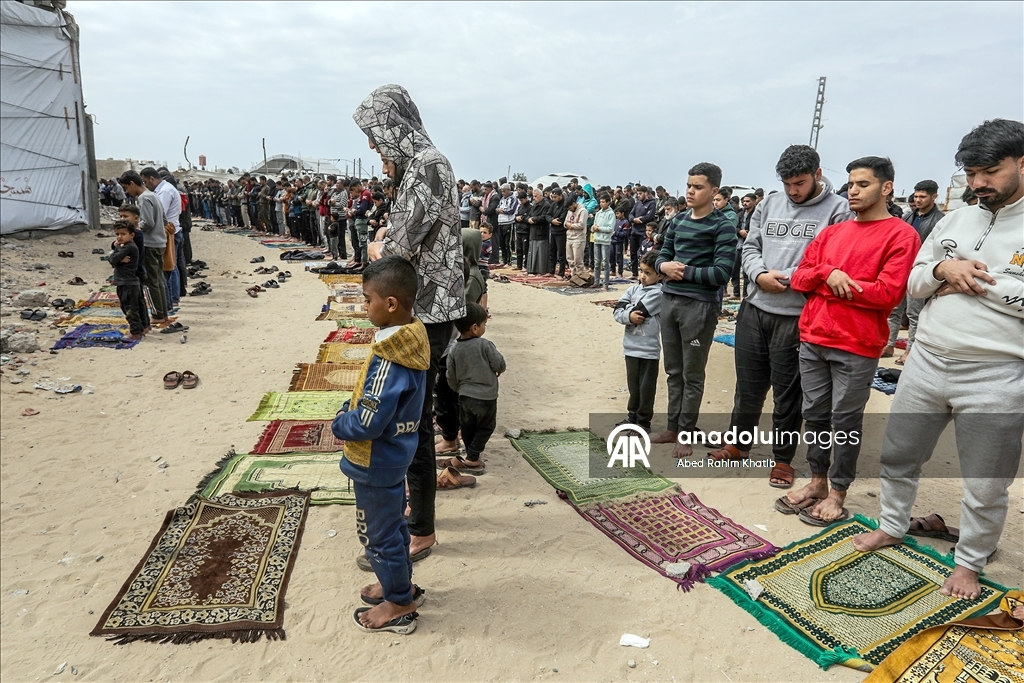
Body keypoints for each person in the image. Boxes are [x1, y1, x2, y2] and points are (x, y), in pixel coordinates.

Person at [852, 118, 1024, 600]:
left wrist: (970, 280)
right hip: (926, 362)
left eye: (989, 172)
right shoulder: (955, 220)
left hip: (995, 375)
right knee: (898, 454)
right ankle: (892, 525)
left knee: (986, 483)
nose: (978, 183)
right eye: (970, 174)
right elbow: (914, 282)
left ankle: (969, 562)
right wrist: (944, 268)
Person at [355, 83, 466, 563]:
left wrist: (378, 246)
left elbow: (398, 247)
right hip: (424, 308)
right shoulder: (422, 165)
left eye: (376, 136)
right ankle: (418, 515)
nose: (374, 147)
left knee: (411, 424)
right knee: (411, 418)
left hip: (427, 312)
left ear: (394, 128)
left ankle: (420, 529)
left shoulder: (427, 165)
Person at [783, 156, 920, 525]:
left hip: (857, 344)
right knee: (814, 416)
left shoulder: (901, 235)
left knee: (844, 421)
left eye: (863, 184)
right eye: (851, 184)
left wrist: (823, 284)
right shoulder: (832, 233)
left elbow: (887, 294)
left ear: (886, 188)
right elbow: (799, 278)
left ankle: (838, 491)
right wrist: (829, 273)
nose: (853, 191)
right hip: (813, 338)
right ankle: (817, 481)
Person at [707, 146, 852, 488]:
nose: (792, 191)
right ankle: (738, 444)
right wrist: (759, 275)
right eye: (787, 184)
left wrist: (788, 279)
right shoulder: (768, 204)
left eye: (799, 183)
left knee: (789, 393)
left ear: (817, 174)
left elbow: (833, 262)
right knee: (748, 384)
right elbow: (750, 247)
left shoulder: (839, 211)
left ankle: (782, 459)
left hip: (797, 315)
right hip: (755, 309)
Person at [331, 255, 428, 634]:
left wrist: (341, 422)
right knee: (394, 526)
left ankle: (399, 603)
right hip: (394, 455)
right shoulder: (409, 340)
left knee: (377, 534)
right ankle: (399, 585)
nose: (363, 306)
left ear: (390, 304)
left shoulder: (390, 360)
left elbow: (367, 422)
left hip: (375, 460)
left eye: (367, 299)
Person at [651, 163, 736, 457]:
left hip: (699, 307)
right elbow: (663, 253)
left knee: (692, 373)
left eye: (698, 187)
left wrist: (684, 272)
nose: (690, 191)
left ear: (714, 191)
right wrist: (663, 266)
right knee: (673, 370)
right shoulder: (678, 221)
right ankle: (672, 428)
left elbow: (722, 273)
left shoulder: (722, 225)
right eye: (689, 185)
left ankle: (686, 432)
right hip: (670, 302)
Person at [438, 302, 505, 479]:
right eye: (484, 324)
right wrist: (498, 370)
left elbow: (450, 376)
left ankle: (470, 452)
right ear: (475, 327)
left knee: (467, 426)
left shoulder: (454, 350)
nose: (484, 327)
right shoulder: (485, 345)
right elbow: (499, 364)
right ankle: (473, 457)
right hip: (487, 397)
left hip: (465, 396)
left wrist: (458, 389)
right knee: (486, 426)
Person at [883, 179, 946, 364]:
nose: (918, 200)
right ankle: (888, 344)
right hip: (901, 268)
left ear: (934, 196)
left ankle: (910, 350)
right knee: (894, 310)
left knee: (914, 313)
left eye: (922, 197)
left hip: (920, 271)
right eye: (916, 196)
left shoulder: (940, 220)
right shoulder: (908, 216)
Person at [613, 251, 663, 431]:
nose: (643, 276)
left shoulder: (659, 293)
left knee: (646, 388)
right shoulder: (632, 290)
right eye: (641, 271)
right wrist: (629, 315)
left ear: (660, 275)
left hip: (648, 350)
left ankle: (643, 422)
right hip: (630, 347)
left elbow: (641, 312)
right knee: (633, 386)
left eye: (648, 273)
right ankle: (632, 417)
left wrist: (627, 312)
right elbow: (617, 311)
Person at [119, 171, 168, 323]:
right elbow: (164, 220)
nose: (127, 191)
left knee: (151, 281)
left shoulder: (144, 198)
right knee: (158, 280)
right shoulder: (153, 195)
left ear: (132, 183)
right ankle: (162, 312)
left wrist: (132, 230)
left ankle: (158, 314)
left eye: (127, 188)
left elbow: (147, 223)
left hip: (149, 244)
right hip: (159, 243)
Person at [141, 167, 183, 311]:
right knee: (170, 266)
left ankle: (171, 300)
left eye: (146, 182)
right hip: (170, 230)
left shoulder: (165, 191)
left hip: (169, 231)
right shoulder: (163, 189)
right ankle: (171, 300)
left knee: (168, 267)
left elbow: (159, 214)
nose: (146, 185)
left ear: (152, 179)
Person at [117, 204, 151, 333]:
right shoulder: (136, 234)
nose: (122, 219)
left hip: (131, 274)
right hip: (138, 271)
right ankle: (145, 325)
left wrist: (117, 250)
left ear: (136, 218)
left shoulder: (134, 237)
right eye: (120, 216)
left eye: (125, 216)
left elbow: (114, 257)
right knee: (139, 301)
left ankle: (136, 330)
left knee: (130, 304)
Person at [107, 220, 144, 340]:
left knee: (129, 309)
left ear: (132, 235)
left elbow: (112, 259)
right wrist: (118, 258)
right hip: (127, 282)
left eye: (123, 234)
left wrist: (116, 258)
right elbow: (115, 259)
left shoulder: (128, 247)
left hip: (127, 282)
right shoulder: (124, 246)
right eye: (117, 234)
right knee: (131, 307)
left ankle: (135, 332)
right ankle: (139, 328)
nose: (119, 237)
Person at [627, 186, 657, 278]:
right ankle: (634, 273)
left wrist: (640, 219)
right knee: (633, 253)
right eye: (637, 193)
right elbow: (630, 214)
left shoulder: (652, 203)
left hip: (643, 232)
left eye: (640, 193)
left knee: (643, 255)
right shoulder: (637, 203)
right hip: (634, 232)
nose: (638, 195)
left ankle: (644, 274)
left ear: (646, 193)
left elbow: (649, 217)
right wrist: (634, 219)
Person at [592, 193, 615, 289]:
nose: (601, 204)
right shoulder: (598, 213)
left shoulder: (611, 213)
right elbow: (594, 225)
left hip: (605, 240)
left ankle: (605, 283)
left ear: (608, 202)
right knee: (596, 262)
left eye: (603, 202)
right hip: (597, 239)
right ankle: (596, 282)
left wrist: (599, 228)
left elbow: (610, 228)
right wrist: (594, 228)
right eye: (600, 202)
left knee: (605, 263)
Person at [526, 188, 550, 275]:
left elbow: (544, 217)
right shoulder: (534, 204)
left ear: (541, 196)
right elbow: (528, 215)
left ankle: (541, 270)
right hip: (533, 231)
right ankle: (532, 269)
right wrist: (528, 219)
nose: (534, 198)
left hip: (541, 231)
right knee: (532, 252)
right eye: (533, 196)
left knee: (540, 253)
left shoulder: (546, 205)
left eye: (535, 196)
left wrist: (534, 219)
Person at [546, 187, 568, 277]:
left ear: (560, 196)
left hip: (561, 232)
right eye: (552, 197)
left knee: (561, 254)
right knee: (552, 252)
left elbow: (561, 219)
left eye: (555, 197)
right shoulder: (553, 204)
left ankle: (561, 273)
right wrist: (552, 220)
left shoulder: (565, 205)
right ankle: (551, 271)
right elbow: (547, 215)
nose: (553, 199)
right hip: (553, 231)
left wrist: (553, 219)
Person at [565, 194, 588, 276]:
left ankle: (579, 277)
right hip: (569, 237)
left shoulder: (583, 211)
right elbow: (565, 222)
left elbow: (581, 225)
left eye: (570, 208)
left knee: (578, 261)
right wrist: (568, 225)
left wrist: (571, 226)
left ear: (574, 204)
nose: (570, 210)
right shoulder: (569, 211)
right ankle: (573, 276)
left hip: (578, 238)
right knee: (570, 260)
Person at [494, 183, 517, 266]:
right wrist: (499, 210)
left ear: (508, 190)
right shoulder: (502, 199)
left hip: (509, 222)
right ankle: (504, 260)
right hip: (500, 222)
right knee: (502, 243)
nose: (502, 193)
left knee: (508, 243)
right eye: (502, 191)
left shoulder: (513, 198)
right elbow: (496, 209)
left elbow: (512, 210)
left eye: (504, 191)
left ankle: (509, 261)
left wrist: (502, 211)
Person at [513, 189, 531, 271]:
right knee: (519, 249)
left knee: (525, 249)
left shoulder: (530, 207)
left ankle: (526, 266)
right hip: (519, 230)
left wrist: (522, 218)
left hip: (526, 231)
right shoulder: (520, 207)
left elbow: (529, 217)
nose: (521, 201)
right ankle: (519, 265)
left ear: (526, 198)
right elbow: (515, 216)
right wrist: (517, 218)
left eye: (522, 200)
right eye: (520, 200)